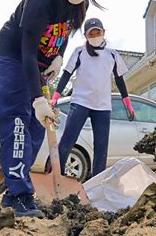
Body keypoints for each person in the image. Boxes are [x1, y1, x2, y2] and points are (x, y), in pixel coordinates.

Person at [0, 0, 101, 217]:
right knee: (17, 123)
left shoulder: (81, 3)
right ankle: (19, 194)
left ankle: (16, 190)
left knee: (38, 127)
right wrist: (38, 98)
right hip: (14, 57)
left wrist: (58, 57)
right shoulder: (40, 1)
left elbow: (64, 35)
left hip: (41, 65)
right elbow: (26, 53)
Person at [52, 18, 135, 178]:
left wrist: (128, 103)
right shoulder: (79, 52)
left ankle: (98, 182)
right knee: (68, 140)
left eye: (98, 32)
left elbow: (119, 79)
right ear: (86, 36)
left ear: (104, 33)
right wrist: (55, 96)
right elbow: (66, 74)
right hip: (80, 102)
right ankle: (57, 177)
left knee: (101, 148)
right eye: (92, 33)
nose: (95, 35)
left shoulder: (112, 54)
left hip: (103, 106)